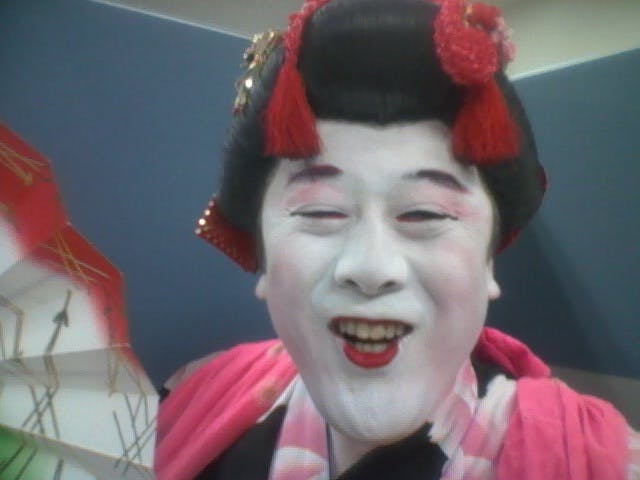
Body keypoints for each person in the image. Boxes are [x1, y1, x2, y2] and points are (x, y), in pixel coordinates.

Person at [155, 0, 640, 479]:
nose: (372, 268)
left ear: (489, 261)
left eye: (424, 212)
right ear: (260, 254)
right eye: (321, 211)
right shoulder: (187, 401)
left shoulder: (597, 462)